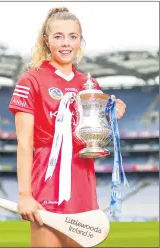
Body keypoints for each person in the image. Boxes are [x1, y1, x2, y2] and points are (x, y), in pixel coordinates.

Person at [8, 7, 126, 247]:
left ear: (80, 41)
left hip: (83, 182)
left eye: (73, 37)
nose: (66, 43)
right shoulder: (31, 79)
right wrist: (24, 195)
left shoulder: (89, 84)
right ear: (46, 39)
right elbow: (24, 142)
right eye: (58, 36)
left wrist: (112, 112)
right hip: (46, 181)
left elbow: (92, 135)